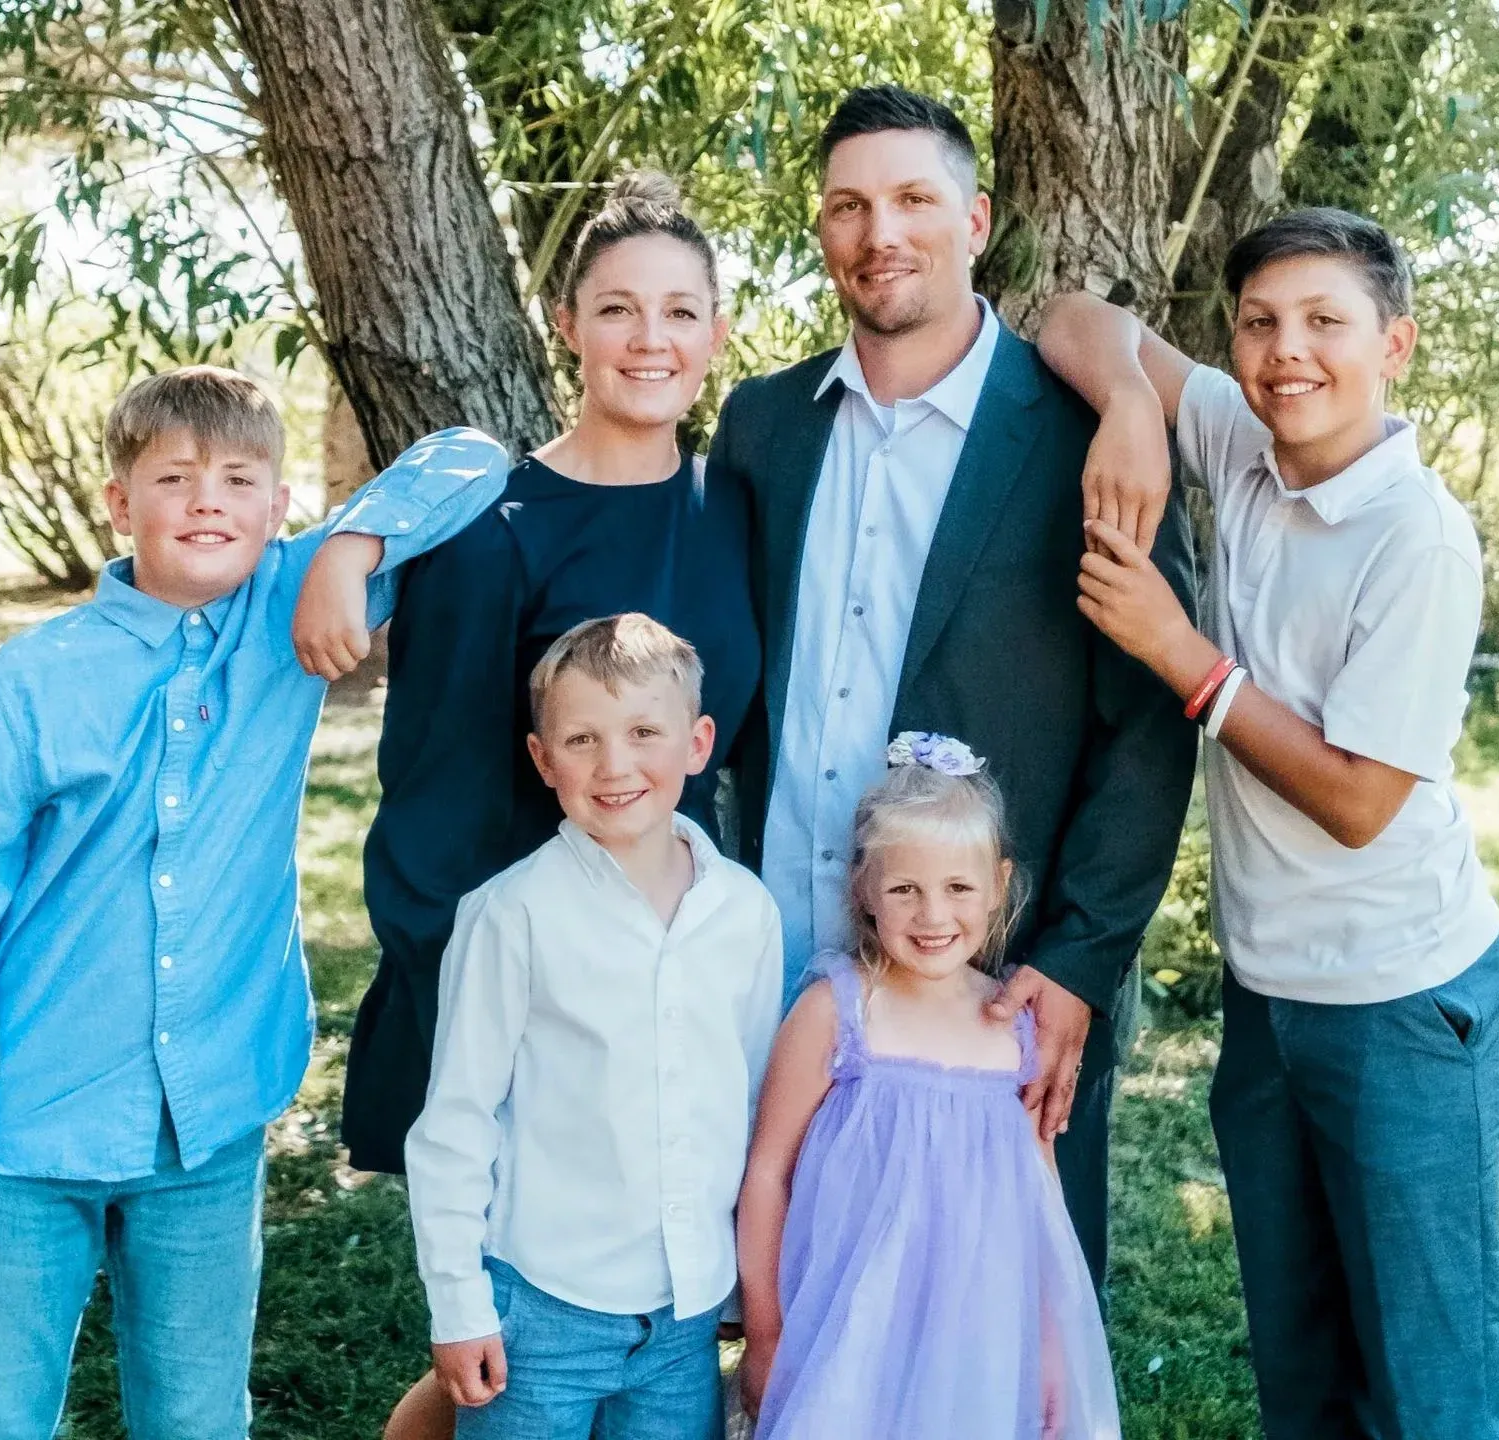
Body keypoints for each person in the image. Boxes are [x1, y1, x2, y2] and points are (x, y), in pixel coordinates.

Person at [0, 364, 506, 1440]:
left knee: (199, 1415)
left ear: (276, 507)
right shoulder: (27, 687)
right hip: (25, 1132)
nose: (207, 500)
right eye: (173, 478)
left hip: (209, 1126)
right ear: (122, 506)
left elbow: (473, 456)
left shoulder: (289, 609)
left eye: (238, 478)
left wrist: (349, 549)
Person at [1037, 207, 1499, 1439]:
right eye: (1259, 323)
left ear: (1394, 345)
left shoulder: (1419, 539)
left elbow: (1361, 801)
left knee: (1435, 1394)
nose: (1285, 351)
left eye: (1325, 323)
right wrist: (1138, 406)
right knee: (1304, 1376)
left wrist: (1182, 656)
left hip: (1405, 1001)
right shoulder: (1241, 442)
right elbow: (1073, 322)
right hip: (1269, 997)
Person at [710, 84, 1196, 1293]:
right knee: (786, 1297)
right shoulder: (764, 426)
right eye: (850, 206)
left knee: (985, 1323)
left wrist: (1083, 959)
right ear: (821, 231)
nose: (884, 233)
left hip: (986, 977)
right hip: (772, 953)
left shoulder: (1079, 426)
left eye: (916, 198)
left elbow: (1143, 729)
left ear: (976, 219)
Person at [330, 172, 761, 1440]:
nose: (650, 340)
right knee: (518, 1324)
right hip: (525, 985)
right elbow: (441, 774)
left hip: (661, 962)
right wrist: (440, 967)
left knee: (612, 1320)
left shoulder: (733, 508)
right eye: (618, 309)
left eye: (681, 312)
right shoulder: (489, 518)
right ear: (565, 325)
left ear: (717, 334)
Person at [404, 613, 782, 1440]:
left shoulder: (746, 912)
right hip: (542, 1310)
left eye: (645, 731)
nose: (615, 766)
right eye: (581, 740)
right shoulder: (512, 914)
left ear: (697, 742)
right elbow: (456, 1124)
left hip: (682, 1321)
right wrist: (461, 1305)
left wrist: (738, 1286)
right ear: (543, 759)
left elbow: (750, 1107)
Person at [736, 735, 1121, 1440]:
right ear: (863, 890)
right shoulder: (837, 1009)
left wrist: (1050, 1354)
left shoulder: (1012, 1025)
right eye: (905, 889)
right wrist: (765, 1333)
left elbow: (1040, 1209)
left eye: (958, 888)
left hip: (971, 1337)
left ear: (999, 885)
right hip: (853, 1332)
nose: (933, 916)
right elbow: (766, 1173)